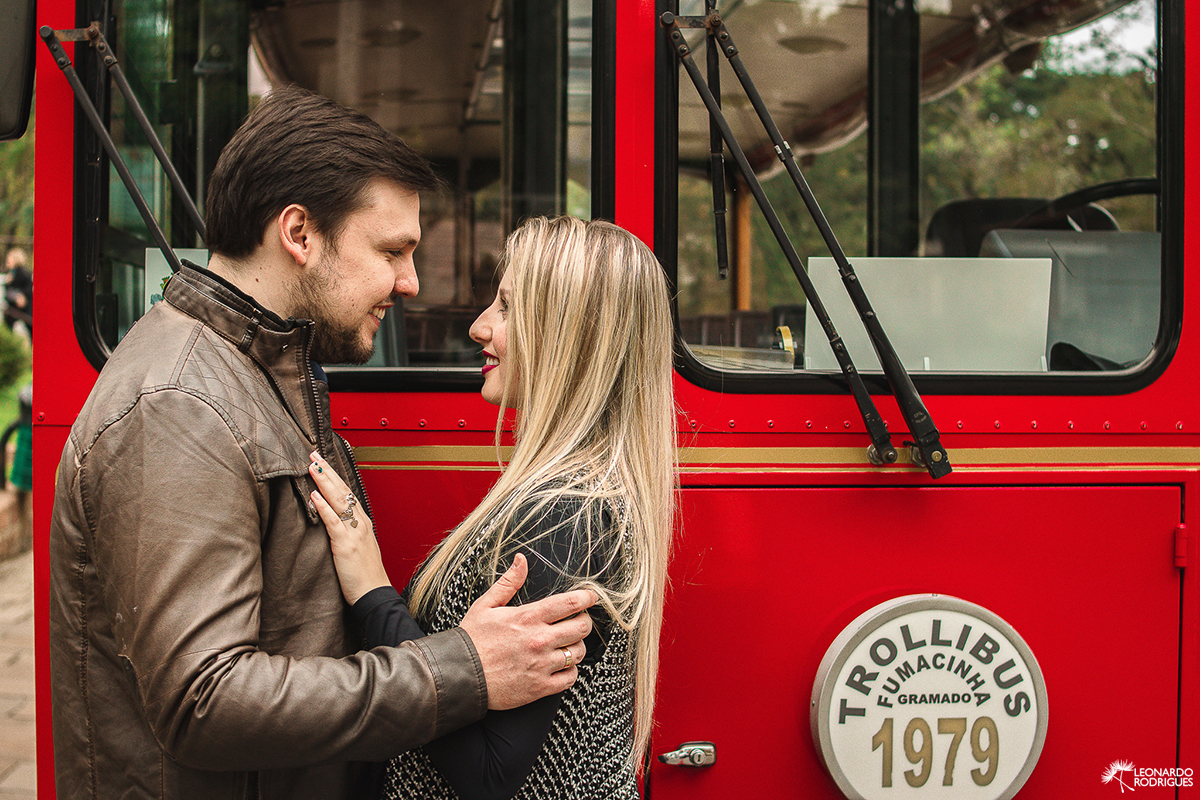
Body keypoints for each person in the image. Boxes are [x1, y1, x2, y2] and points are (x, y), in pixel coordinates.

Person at [49, 87, 596, 800]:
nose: (410, 282)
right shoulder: (177, 406)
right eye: (392, 250)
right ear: (300, 234)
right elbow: (204, 702)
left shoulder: (261, 369)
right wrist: (461, 669)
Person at [308, 215, 677, 800]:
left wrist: (370, 585)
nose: (479, 327)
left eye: (506, 308)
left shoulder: (564, 515)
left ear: (567, 335)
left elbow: (486, 777)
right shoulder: (579, 495)